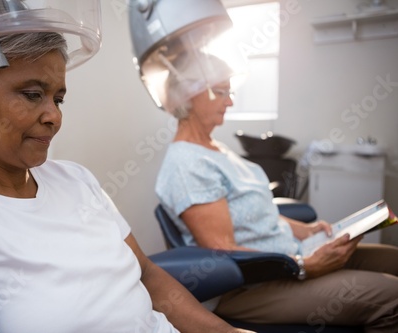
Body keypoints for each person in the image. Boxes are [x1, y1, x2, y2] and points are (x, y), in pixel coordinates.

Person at [0, 2, 253, 333]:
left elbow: (146, 273)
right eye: (32, 94)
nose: (54, 116)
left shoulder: (76, 179)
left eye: (58, 98)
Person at [155, 52, 398, 332]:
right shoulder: (186, 164)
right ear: (188, 96)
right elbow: (223, 251)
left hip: (291, 254)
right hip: (249, 286)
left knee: (393, 258)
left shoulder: (216, 149)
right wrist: (304, 266)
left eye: (230, 92)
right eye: (221, 92)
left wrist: (306, 231)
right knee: (392, 298)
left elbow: (256, 214)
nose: (230, 101)